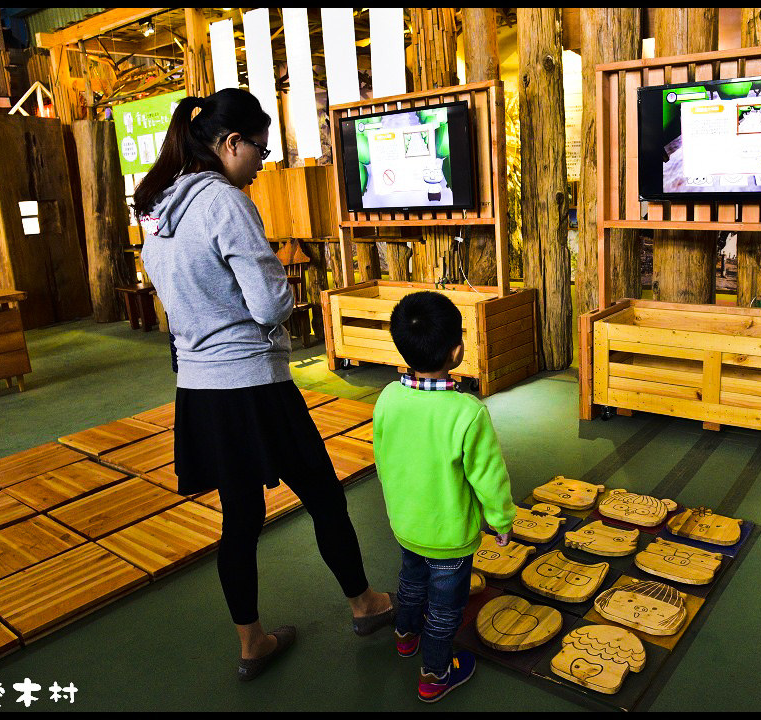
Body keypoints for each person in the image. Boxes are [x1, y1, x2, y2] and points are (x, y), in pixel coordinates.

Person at [133, 88, 394, 681]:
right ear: (230, 143)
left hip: (199, 389)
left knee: (240, 518)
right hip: (253, 384)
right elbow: (270, 303)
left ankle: (251, 642)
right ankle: (365, 604)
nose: (262, 159)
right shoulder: (224, 202)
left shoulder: (157, 204)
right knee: (323, 495)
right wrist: (288, 293)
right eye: (259, 147)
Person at [372, 291, 516, 703]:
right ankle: (435, 673)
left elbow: (383, 458)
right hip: (450, 535)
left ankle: (404, 633)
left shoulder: (387, 399)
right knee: (445, 608)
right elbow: (489, 477)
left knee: (411, 581)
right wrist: (501, 521)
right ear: (457, 351)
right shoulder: (467, 412)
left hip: (406, 523)